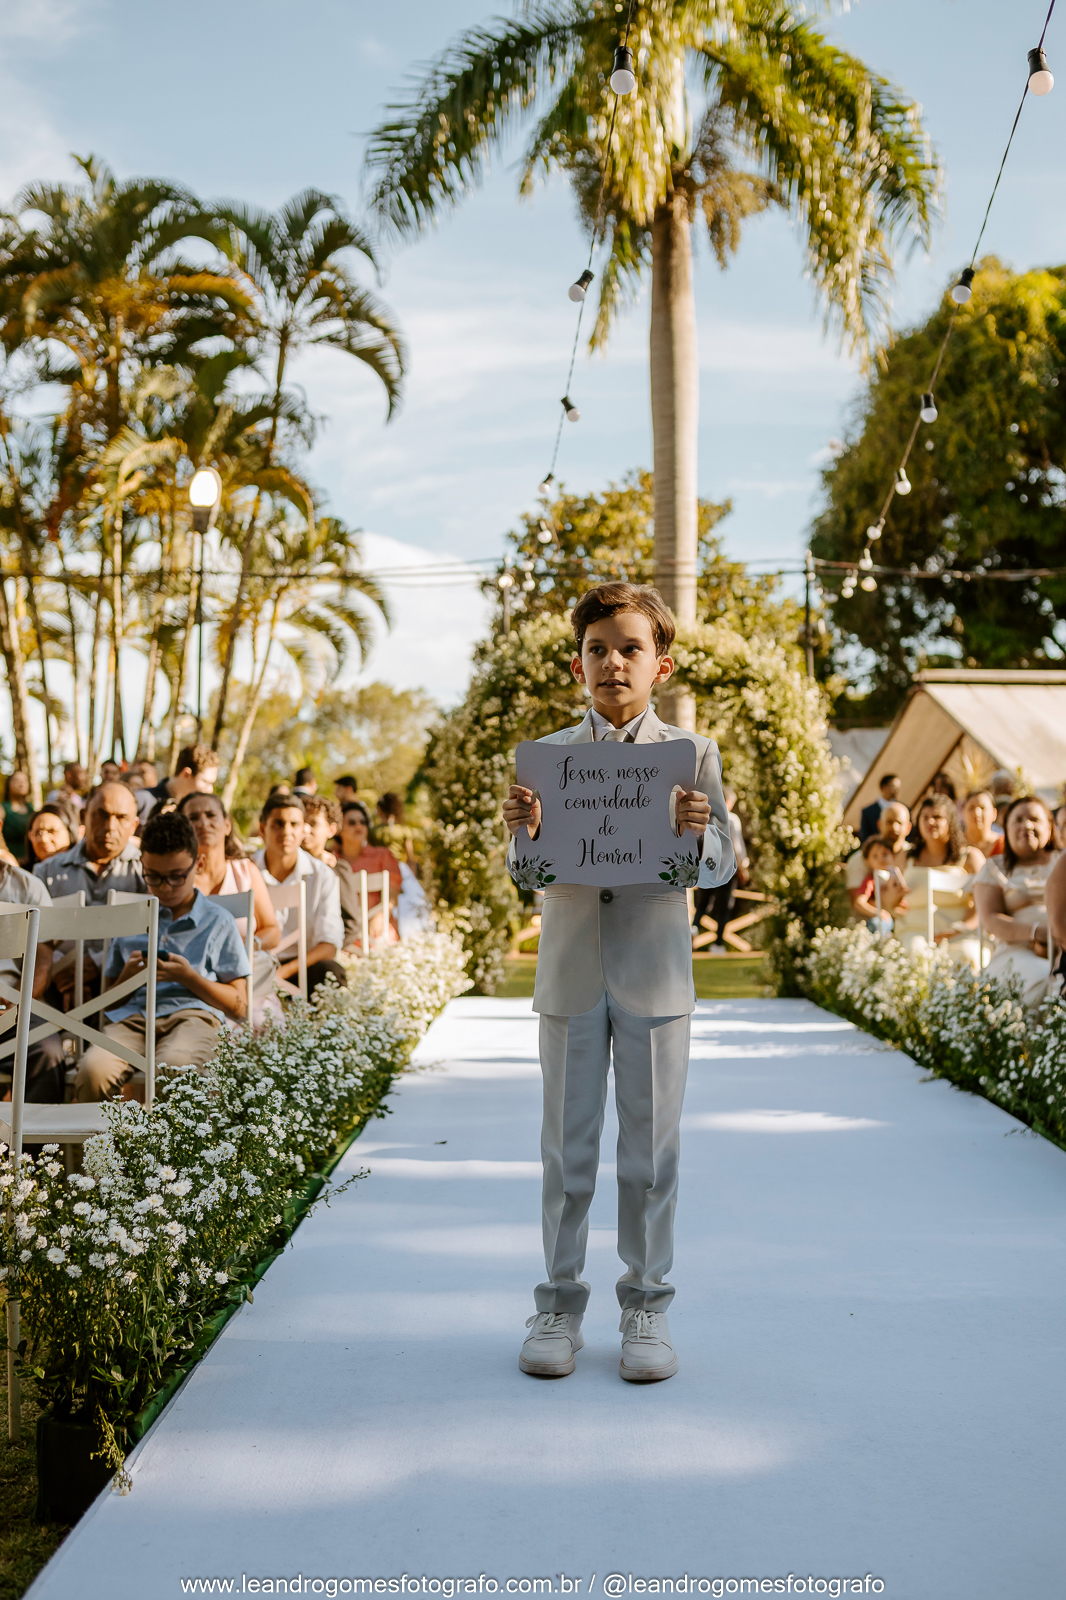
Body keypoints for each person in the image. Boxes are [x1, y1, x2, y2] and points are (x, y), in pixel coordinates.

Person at [503, 582, 734, 1384]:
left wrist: (698, 834)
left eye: (630, 648)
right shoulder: (546, 759)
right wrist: (524, 835)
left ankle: (647, 1306)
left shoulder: (692, 755)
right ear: (578, 665)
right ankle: (558, 1306)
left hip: (656, 975)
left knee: (651, 1156)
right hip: (571, 973)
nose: (613, 662)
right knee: (565, 1155)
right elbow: (526, 874)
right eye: (597, 649)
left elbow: (720, 866)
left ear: (659, 664)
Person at [75, 812, 251, 1102]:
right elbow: (108, 1005)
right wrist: (128, 977)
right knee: (93, 1071)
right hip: (132, 1020)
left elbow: (240, 1007)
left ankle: (170, 1135)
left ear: (198, 865)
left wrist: (189, 977)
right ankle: (105, 1135)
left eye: (176, 877)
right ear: (142, 866)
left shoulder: (218, 921)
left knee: (175, 1067)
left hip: (193, 1017)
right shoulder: (132, 918)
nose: (165, 887)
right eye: (153, 877)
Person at [32, 782, 145, 1009]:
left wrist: (97, 963)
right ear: (83, 816)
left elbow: (156, 934)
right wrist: (61, 970)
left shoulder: (147, 872)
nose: (110, 826)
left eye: (121, 818)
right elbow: (33, 934)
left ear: (134, 825)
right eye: (102, 815)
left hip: (128, 995)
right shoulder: (46, 871)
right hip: (53, 990)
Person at [254, 793, 345, 996]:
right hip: (254, 967)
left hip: (301, 965)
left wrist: (282, 973)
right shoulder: (245, 871)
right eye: (278, 824)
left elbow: (329, 944)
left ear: (303, 828)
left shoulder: (322, 875)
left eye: (294, 824)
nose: (286, 832)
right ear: (262, 829)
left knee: (331, 972)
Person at [974, 796, 1058, 1006]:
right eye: (1018, 820)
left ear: (1050, 827)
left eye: (1034, 819)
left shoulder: (1062, 862)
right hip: (1017, 953)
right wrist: (1038, 933)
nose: (1026, 825)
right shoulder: (994, 868)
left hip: (1062, 948)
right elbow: (990, 919)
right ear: (1006, 829)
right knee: (1046, 979)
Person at [0, 855, 65, 1103]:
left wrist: (15, 1003)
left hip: (14, 1003)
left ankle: (36, 1130)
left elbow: (41, 964)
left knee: (47, 1050)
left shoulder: (27, 887)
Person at [890, 796, 983, 965]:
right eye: (925, 817)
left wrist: (961, 928)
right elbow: (888, 903)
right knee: (915, 954)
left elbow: (984, 903)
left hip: (960, 932)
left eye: (937, 817)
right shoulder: (905, 857)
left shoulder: (970, 857)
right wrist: (894, 897)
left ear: (951, 821)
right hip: (915, 931)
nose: (930, 822)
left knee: (966, 956)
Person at [335, 800, 402, 949]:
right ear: (338, 829)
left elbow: (393, 893)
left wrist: (382, 915)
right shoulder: (330, 860)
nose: (359, 826)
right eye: (352, 822)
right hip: (341, 932)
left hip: (376, 929)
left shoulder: (383, 855)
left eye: (363, 822)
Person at [691, 787, 747, 951]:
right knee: (724, 907)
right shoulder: (732, 819)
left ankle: (694, 928)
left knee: (703, 903)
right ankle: (718, 944)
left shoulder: (707, 817)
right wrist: (743, 868)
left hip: (707, 865)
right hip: (727, 867)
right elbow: (737, 846)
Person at [845, 800, 910, 918]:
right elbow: (857, 903)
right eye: (889, 822)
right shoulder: (859, 860)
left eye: (899, 823)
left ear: (908, 828)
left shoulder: (915, 857)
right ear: (879, 824)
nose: (894, 827)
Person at [138, 743, 220, 824]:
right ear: (186, 774)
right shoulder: (141, 800)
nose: (210, 790)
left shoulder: (196, 813)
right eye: (205, 782)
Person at [853, 835, 908, 936]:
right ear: (867, 861)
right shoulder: (871, 880)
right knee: (877, 925)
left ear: (893, 856)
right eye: (875, 856)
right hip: (885, 921)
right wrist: (878, 912)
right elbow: (859, 902)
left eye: (885, 854)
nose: (881, 859)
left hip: (903, 919)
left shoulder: (899, 877)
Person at [374, 792, 418, 871]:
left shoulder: (373, 831)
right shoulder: (404, 830)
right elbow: (410, 858)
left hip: (378, 868)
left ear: (379, 810)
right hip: (398, 868)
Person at [859, 773, 902, 843]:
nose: (897, 790)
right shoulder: (868, 812)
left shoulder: (904, 811)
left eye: (898, 787)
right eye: (894, 786)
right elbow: (865, 837)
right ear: (883, 787)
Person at [963, 788, 1003, 858]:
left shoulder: (1004, 845)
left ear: (994, 814)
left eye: (982, 808)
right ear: (963, 813)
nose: (977, 813)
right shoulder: (953, 845)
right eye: (971, 808)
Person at [2, 771, 33, 862]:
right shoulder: (3, 809)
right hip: (10, 862)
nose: (21, 784)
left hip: (30, 862)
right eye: (17, 780)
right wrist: (8, 857)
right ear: (8, 784)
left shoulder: (31, 809)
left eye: (25, 780)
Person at [301, 794, 341, 864]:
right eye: (301, 822)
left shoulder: (337, 868)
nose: (305, 829)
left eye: (314, 824)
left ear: (331, 830)